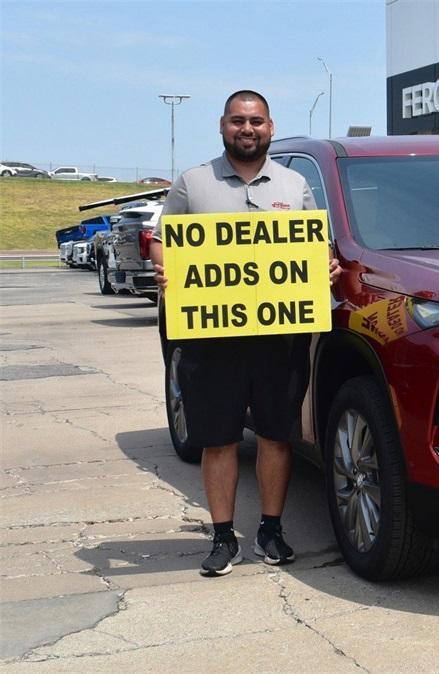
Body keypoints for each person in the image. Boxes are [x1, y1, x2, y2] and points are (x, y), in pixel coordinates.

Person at [150, 90, 340, 577]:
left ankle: (271, 531)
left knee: (277, 436)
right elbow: (164, 244)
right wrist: (165, 273)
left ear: (270, 127)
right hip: (211, 341)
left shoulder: (295, 185)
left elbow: (316, 251)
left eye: (255, 121)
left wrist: (324, 272)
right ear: (222, 126)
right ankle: (221, 538)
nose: (247, 129)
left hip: (279, 341)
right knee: (219, 440)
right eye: (238, 121)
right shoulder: (192, 184)